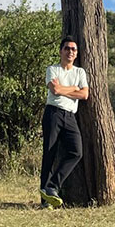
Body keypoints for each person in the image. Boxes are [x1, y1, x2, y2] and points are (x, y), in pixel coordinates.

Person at [39, 36, 89, 208]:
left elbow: (84, 95)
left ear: (76, 54)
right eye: (67, 48)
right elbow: (55, 90)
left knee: (76, 151)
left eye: (73, 49)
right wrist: (74, 88)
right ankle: (45, 201)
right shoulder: (52, 70)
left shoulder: (79, 72)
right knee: (49, 154)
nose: (70, 51)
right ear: (61, 51)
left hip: (70, 116)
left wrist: (66, 90)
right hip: (53, 113)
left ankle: (52, 187)